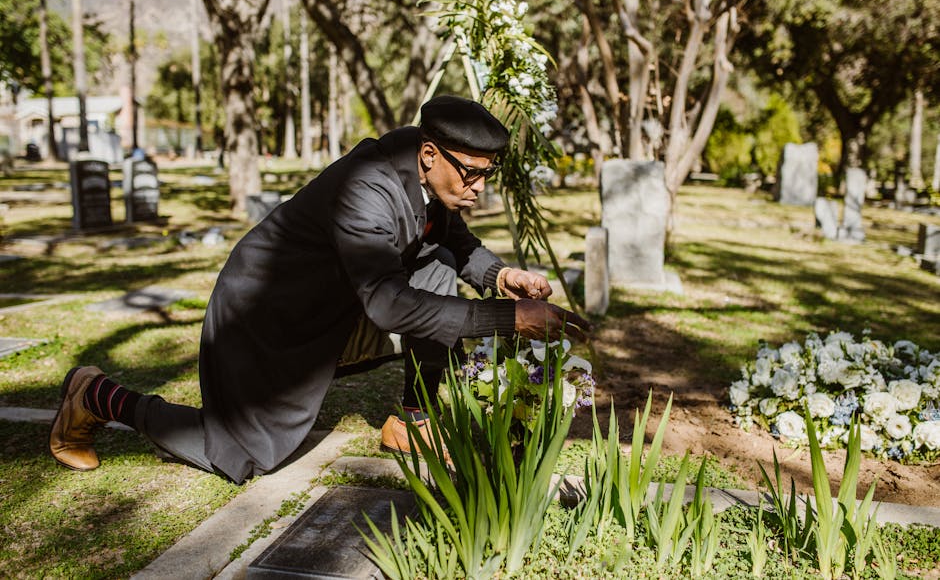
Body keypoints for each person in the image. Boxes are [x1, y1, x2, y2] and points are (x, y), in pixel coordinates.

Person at [49, 95, 591, 484]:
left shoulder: (421, 167)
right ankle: (95, 395)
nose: (477, 188)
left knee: (438, 266)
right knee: (241, 456)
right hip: (263, 321)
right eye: (470, 174)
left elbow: (449, 239)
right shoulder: (368, 188)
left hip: (333, 311)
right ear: (430, 154)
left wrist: (500, 277)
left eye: (486, 174)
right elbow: (388, 304)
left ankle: (414, 423)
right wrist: (508, 318)